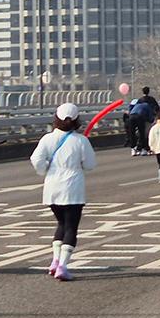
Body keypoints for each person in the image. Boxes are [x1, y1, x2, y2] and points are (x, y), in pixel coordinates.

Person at [29, 103, 97, 281]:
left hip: (52, 187)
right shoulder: (81, 140)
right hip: (73, 188)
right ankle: (63, 266)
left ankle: (55, 260)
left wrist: (44, 169)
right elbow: (90, 165)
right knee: (70, 227)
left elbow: (36, 158)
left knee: (61, 224)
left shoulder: (47, 139)